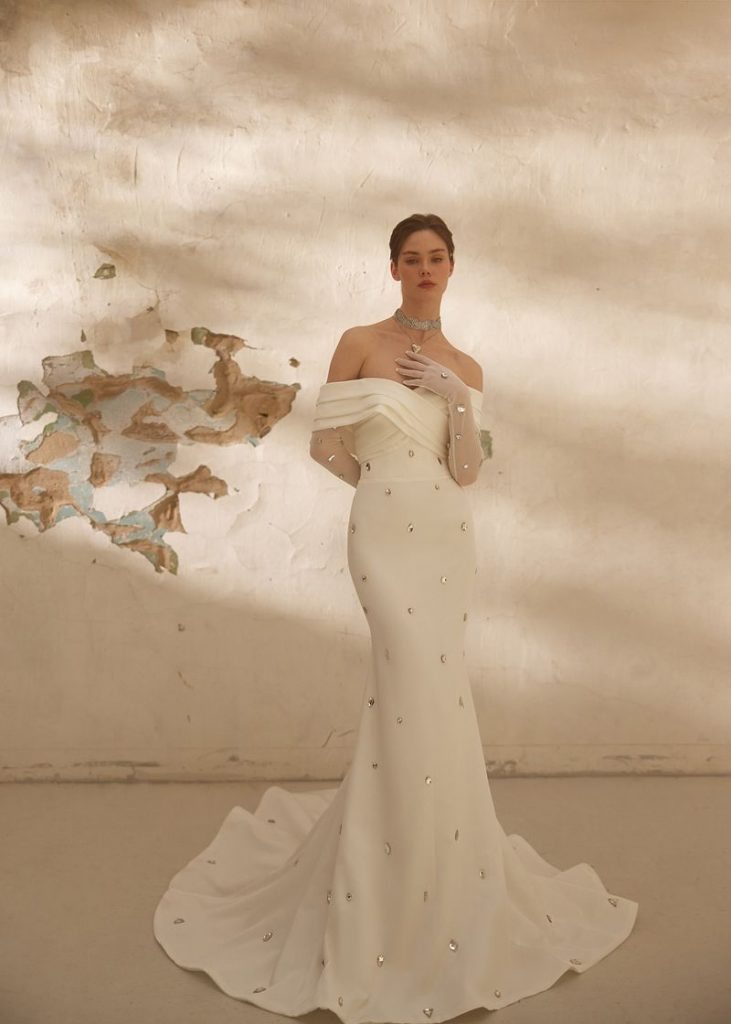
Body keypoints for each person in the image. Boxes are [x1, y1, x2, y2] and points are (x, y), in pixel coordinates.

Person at [153, 213, 638, 1021]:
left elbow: (467, 471)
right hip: (383, 531)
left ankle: (439, 863)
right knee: (405, 683)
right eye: (411, 258)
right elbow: (325, 447)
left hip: (446, 535)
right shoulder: (358, 343)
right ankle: (380, 873)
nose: (424, 269)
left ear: (451, 267)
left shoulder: (465, 366)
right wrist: (382, 488)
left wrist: (453, 400)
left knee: (437, 695)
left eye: (435, 257)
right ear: (392, 268)